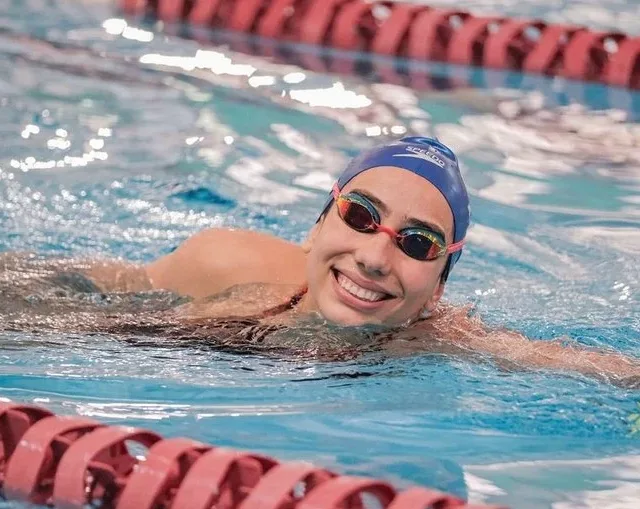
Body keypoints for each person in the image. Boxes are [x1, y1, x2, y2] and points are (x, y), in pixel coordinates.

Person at [3, 137, 640, 385]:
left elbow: (594, 368)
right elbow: (67, 286)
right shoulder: (226, 263)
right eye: (361, 215)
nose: (373, 256)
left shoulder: (434, 344)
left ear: (439, 287)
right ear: (317, 225)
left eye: (417, 244)